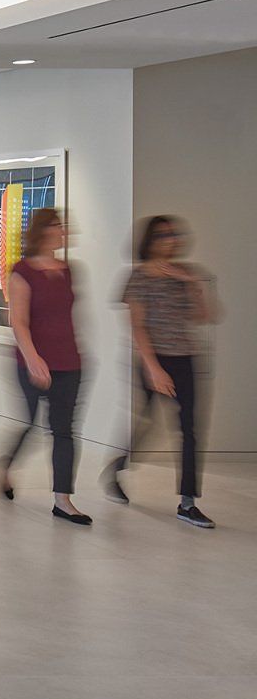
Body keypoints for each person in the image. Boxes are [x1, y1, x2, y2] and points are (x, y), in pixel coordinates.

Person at [108, 215, 217, 528]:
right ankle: (117, 467)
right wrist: (153, 367)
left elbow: (205, 316)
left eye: (174, 234)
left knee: (189, 431)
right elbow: (137, 326)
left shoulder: (186, 274)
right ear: (150, 241)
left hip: (185, 359)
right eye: (163, 235)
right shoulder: (139, 277)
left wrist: (193, 284)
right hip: (152, 359)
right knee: (148, 424)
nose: (170, 240)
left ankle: (187, 502)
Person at [0, 207, 91, 525]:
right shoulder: (22, 271)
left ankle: (63, 500)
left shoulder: (68, 269)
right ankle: (5, 468)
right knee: (30, 422)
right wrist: (34, 358)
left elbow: (68, 316)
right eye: (57, 226)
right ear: (43, 231)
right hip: (31, 360)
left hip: (69, 361)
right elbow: (18, 321)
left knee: (64, 430)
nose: (63, 230)